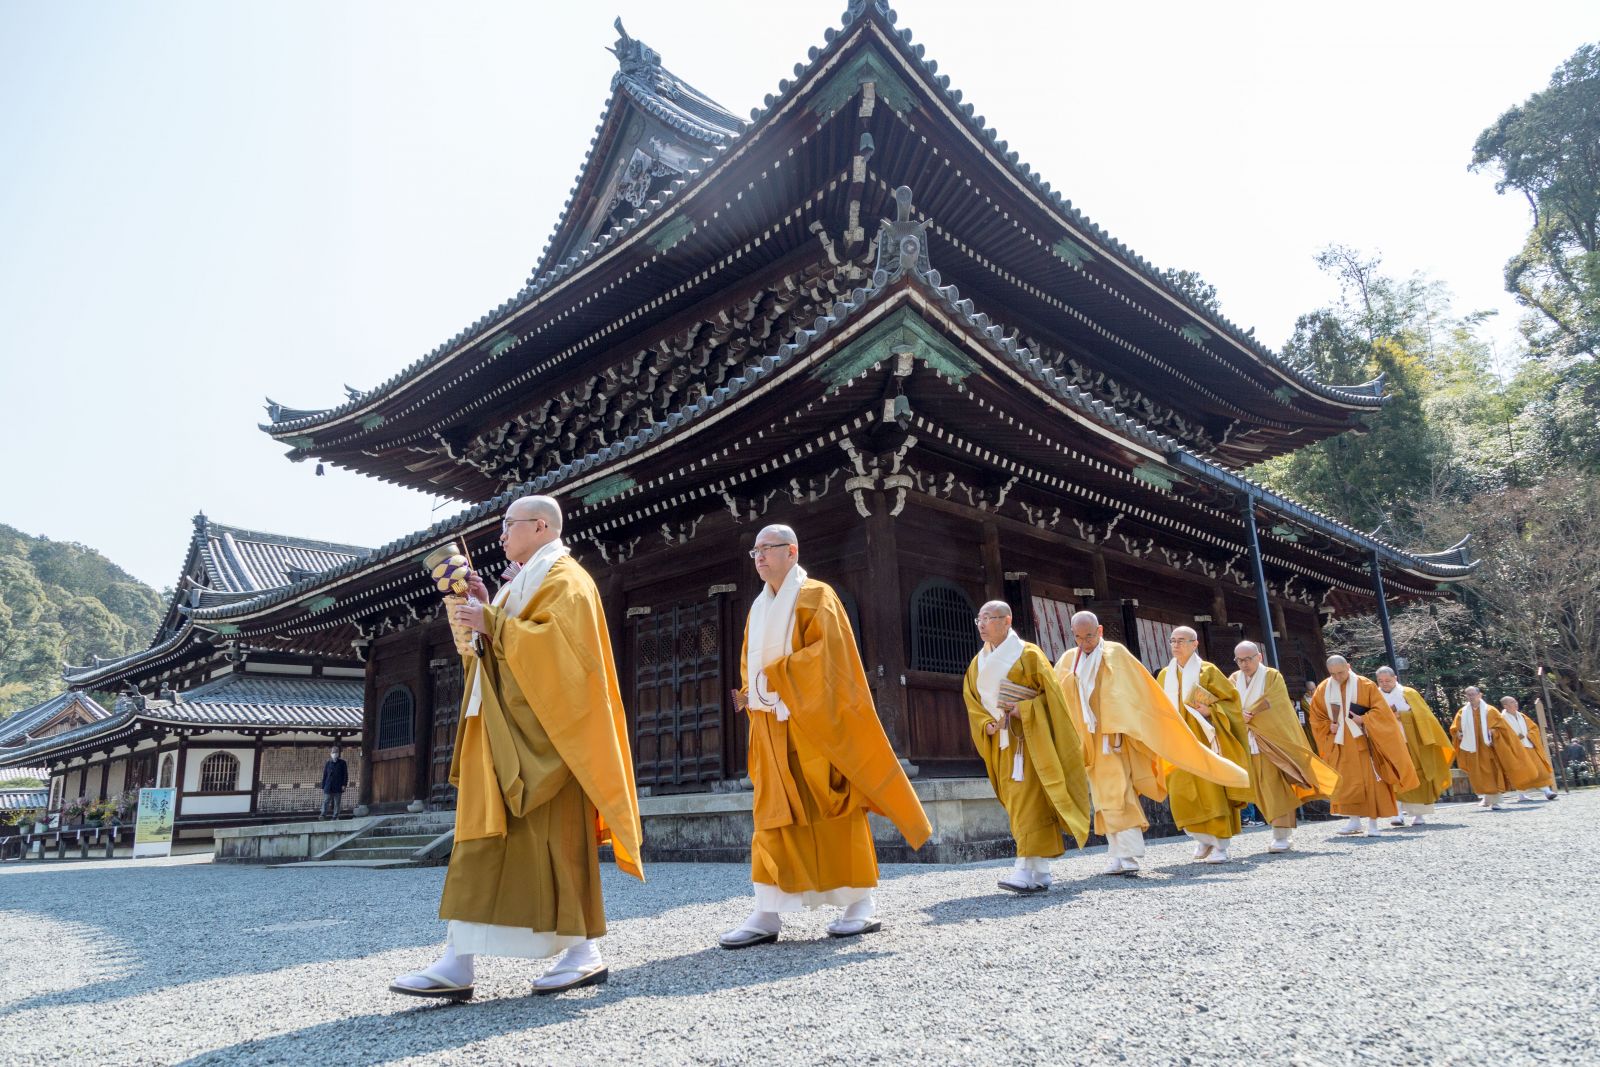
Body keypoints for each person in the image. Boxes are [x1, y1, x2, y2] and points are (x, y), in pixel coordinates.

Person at [391, 494, 643, 999]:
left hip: (545, 740)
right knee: (479, 840)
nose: (501, 535)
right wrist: (486, 611)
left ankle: (582, 952)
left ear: (542, 526)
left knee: (555, 844)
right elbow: (491, 652)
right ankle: (458, 959)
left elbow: (566, 658)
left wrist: (496, 623)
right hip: (501, 732)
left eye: (509, 524)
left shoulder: (567, 579)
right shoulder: (521, 583)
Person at [718, 525, 930, 948]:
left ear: (791, 552)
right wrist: (753, 694)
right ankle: (767, 910)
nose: (758, 557)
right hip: (772, 729)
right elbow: (750, 664)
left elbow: (827, 660)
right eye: (754, 552)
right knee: (772, 816)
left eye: (767, 549)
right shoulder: (759, 608)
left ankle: (860, 904)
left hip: (814, 726)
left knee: (835, 807)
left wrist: (775, 682)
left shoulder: (817, 596)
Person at [1052, 611, 1250, 876]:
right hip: (1089, 739)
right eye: (1078, 637)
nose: (1084, 642)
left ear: (1099, 631)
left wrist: (1125, 727)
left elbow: (1134, 694)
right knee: (1101, 798)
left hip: (1118, 738)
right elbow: (1059, 694)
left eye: (1089, 636)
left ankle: (1130, 854)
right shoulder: (1069, 660)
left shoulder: (1116, 654)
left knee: (1120, 793)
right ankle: (1116, 852)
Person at [963, 601, 1090, 893]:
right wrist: (987, 725)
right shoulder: (976, 663)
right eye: (978, 619)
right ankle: (1041, 871)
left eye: (988, 618)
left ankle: (1024, 867)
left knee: (1028, 799)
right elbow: (973, 703)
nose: (981, 624)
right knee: (1018, 799)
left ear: (1006, 621)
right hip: (1002, 742)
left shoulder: (1029, 654)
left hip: (1031, 739)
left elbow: (1053, 699)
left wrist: (1026, 710)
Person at [1230, 641, 1338, 852]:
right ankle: (1276, 830)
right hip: (1247, 740)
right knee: (1259, 788)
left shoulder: (1272, 676)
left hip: (1272, 740)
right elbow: (1227, 702)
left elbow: (1275, 702)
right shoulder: (1233, 679)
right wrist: (1237, 715)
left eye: (1248, 659)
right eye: (1239, 660)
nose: (1244, 664)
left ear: (1259, 657)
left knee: (1275, 785)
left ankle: (1282, 834)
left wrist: (1248, 715)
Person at [1156, 628, 1250, 864]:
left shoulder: (1208, 671)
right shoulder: (1165, 675)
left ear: (1195, 644)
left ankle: (1221, 845)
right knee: (1180, 790)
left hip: (1207, 740)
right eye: (1173, 641)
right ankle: (1202, 837)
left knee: (1211, 789)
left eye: (1181, 641)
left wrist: (1212, 710)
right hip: (1178, 742)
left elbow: (1232, 704)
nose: (1176, 645)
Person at [1308, 656, 1418, 837]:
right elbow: (1316, 717)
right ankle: (1353, 821)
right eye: (1333, 674)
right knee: (1347, 783)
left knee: (1371, 784)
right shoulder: (1323, 688)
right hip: (1341, 745)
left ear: (1348, 667)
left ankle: (1373, 823)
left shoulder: (1365, 685)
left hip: (1363, 743)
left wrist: (1364, 719)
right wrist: (1329, 726)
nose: (1337, 677)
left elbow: (1382, 713)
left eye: (1341, 672)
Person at [1375, 667, 1453, 827]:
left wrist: (1401, 715)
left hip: (1413, 742)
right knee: (1393, 775)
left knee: (1419, 775)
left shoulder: (1408, 693)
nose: (1384, 684)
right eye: (1381, 681)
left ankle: (1419, 815)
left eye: (1387, 681)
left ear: (1395, 678)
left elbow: (1424, 717)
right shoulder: (1375, 695)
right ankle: (1396, 813)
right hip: (1388, 743)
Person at [1449, 686, 1522, 810]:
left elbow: (1502, 728)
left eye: (1473, 694)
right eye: (1468, 695)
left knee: (1492, 772)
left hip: (1488, 747)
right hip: (1472, 748)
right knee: (1477, 774)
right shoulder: (1463, 712)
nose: (1471, 697)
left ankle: (1495, 801)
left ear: (1480, 695)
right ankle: (1487, 797)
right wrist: (1458, 733)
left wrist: (1493, 732)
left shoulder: (1490, 710)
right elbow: (1455, 728)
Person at [1498, 697, 1559, 802]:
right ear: (1505, 706)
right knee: (1521, 773)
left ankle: (1547, 792)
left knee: (1540, 769)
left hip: (1529, 746)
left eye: (1515, 701)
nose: (1516, 703)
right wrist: (1515, 738)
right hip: (1515, 750)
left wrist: (1529, 735)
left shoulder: (1522, 716)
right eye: (1512, 702)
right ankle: (1521, 795)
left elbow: (1534, 728)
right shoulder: (1501, 719)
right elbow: (1500, 734)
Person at [319, 745, 349, 819]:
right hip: (328, 785)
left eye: (336, 752)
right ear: (331, 753)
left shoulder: (342, 763)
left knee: (337, 802)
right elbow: (325, 775)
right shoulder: (328, 763)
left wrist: (344, 785)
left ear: (338, 753)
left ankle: (335, 816)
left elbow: (345, 774)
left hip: (338, 785)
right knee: (326, 801)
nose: (334, 753)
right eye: (333, 752)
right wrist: (323, 786)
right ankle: (323, 814)